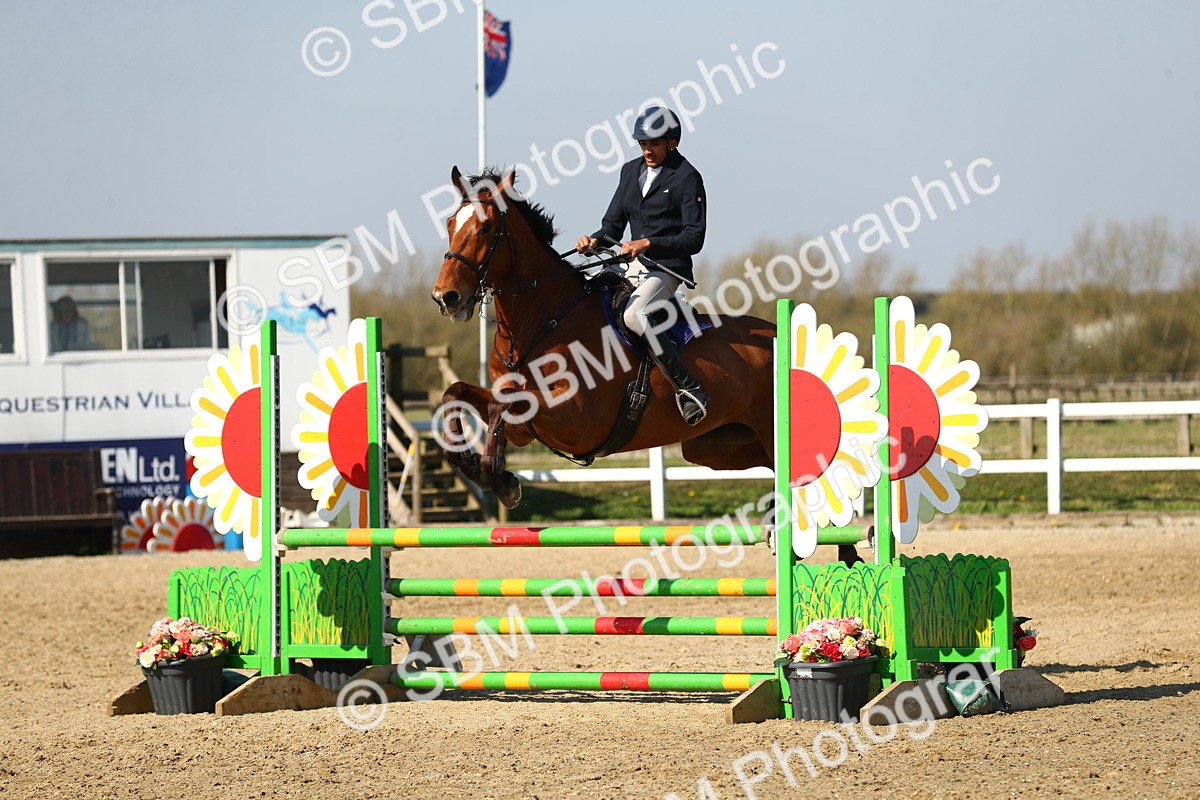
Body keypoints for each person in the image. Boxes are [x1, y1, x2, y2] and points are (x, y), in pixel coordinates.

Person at [576, 106, 709, 425]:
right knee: (585, 298)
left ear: (672, 143)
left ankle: (689, 389)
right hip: (630, 266)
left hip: (667, 269)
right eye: (642, 144)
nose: (647, 150)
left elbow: (694, 238)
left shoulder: (688, 178)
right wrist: (594, 240)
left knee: (635, 315)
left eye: (654, 144)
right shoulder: (629, 171)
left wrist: (649, 243)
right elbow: (612, 225)